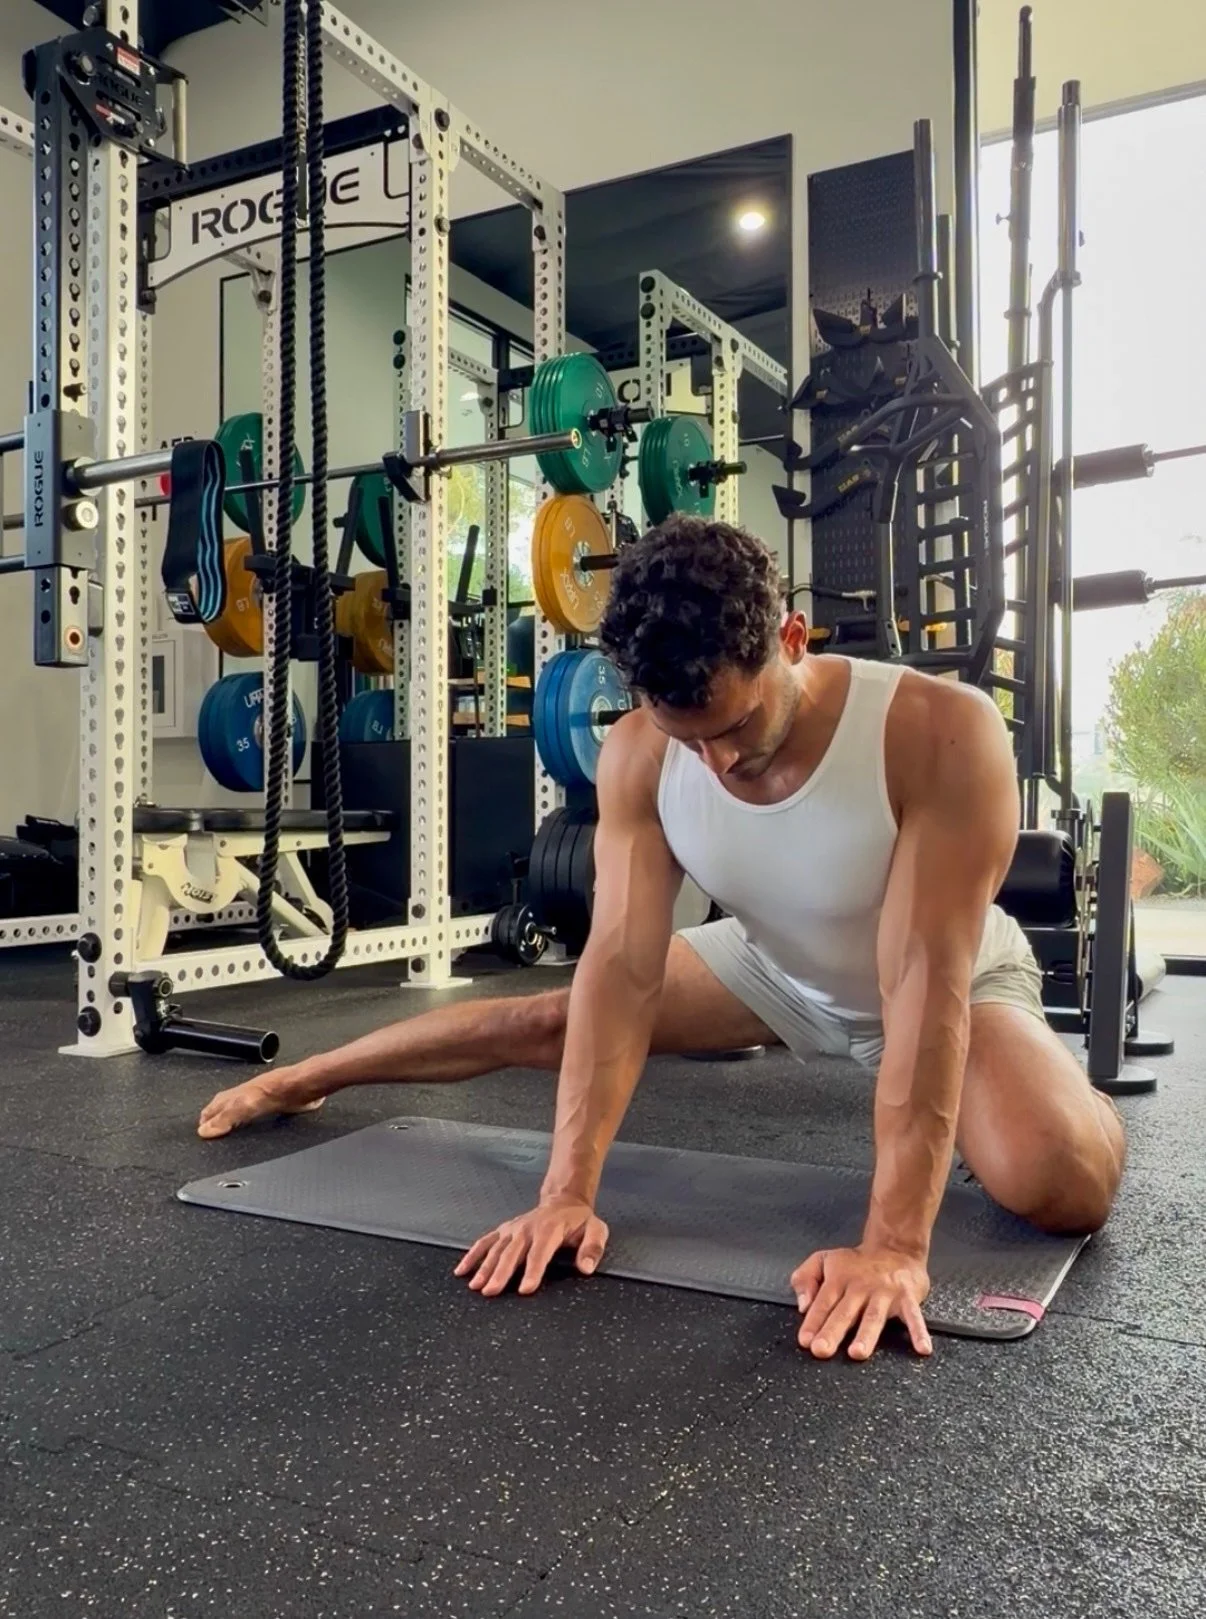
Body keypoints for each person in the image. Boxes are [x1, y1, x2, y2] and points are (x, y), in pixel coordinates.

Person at [197, 517, 1126, 1362]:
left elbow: (922, 979)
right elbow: (619, 969)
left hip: (952, 976)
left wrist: (892, 1247)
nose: (719, 761)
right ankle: (304, 1076)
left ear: (791, 642)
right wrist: (565, 1191)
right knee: (546, 1018)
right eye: (691, 738)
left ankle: (1066, 1091)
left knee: (1059, 1180)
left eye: (737, 725)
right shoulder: (641, 750)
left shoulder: (937, 730)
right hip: (773, 965)